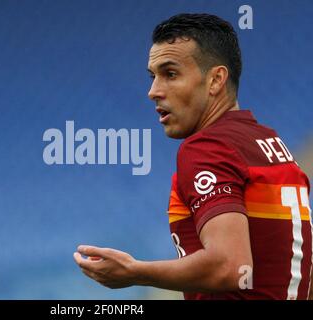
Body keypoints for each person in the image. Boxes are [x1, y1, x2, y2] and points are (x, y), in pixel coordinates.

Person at [73, 13, 312, 300]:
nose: (153, 91)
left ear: (215, 80)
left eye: (170, 74)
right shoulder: (270, 143)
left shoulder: (207, 147)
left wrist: (135, 271)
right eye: (153, 77)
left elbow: (231, 267)